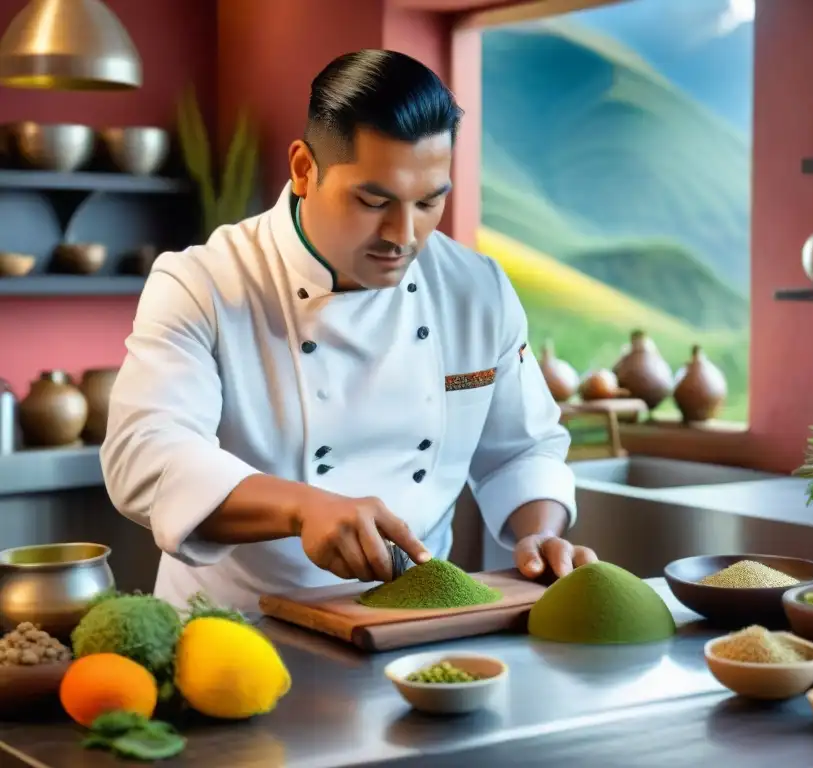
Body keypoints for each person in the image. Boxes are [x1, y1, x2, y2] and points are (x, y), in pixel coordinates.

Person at [100, 49, 597, 611]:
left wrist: (540, 532)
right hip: (234, 633)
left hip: (412, 621)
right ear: (304, 169)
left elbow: (521, 449)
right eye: (372, 200)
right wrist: (302, 508)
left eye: (430, 201)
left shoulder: (475, 289)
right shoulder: (203, 283)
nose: (404, 235)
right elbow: (145, 456)